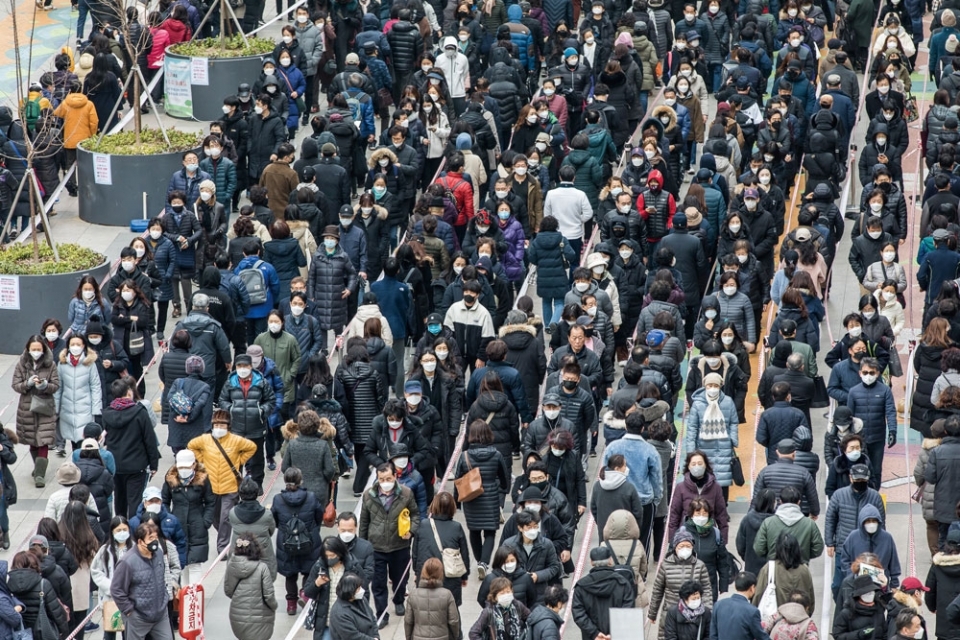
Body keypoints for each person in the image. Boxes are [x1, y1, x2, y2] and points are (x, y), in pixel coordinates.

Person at [360, 462, 420, 627]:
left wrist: (412, 530)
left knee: (400, 578)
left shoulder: (406, 494)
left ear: (395, 476)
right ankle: (382, 613)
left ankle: (399, 599)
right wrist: (362, 546)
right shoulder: (368, 496)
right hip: (376, 547)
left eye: (388, 478)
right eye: (381, 478)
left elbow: (415, 514)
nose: (385, 481)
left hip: (399, 545)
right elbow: (364, 523)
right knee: (378, 583)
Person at [189, 410, 257, 554]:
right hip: (211, 486)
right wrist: (201, 461)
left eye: (222, 425)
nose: (219, 428)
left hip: (230, 486)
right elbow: (191, 445)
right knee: (214, 517)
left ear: (228, 426)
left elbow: (252, 447)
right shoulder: (205, 439)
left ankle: (222, 547)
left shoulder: (236, 440)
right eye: (217, 425)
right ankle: (224, 535)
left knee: (225, 517)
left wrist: (239, 461)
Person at [453, 420, 510, 575]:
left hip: (471, 498)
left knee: (474, 530)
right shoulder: (496, 454)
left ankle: (479, 561)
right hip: (490, 496)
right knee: (490, 532)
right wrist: (504, 489)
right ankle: (484, 563)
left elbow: (458, 478)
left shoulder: (465, 455)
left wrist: (456, 502)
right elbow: (504, 477)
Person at [602, 410, 663, 547]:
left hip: (616, 500)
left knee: (617, 540)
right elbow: (656, 479)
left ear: (625, 426)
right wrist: (656, 499)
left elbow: (603, 474)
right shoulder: (650, 450)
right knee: (642, 542)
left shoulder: (612, 447)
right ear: (643, 428)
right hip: (644, 502)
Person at [102, 379, 159, 519]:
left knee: (119, 500)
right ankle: (134, 530)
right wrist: (154, 464)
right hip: (136, 465)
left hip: (115, 464)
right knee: (135, 501)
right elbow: (149, 439)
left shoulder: (107, 413)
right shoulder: (140, 412)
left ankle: (119, 527)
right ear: (129, 392)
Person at [219, 354, 276, 489]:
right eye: (239, 366)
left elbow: (271, 400)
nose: (242, 369)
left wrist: (261, 411)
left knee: (257, 460)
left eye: (245, 366)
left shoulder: (261, 382)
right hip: (236, 429)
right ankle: (236, 486)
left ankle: (257, 486)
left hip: (256, 428)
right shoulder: (230, 382)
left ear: (251, 367)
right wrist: (231, 409)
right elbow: (222, 400)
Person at [272, 467, 324, 616]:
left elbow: (274, 520)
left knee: (290, 574)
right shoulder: (311, 497)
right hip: (308, 540)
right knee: (308, 571)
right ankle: (306, 596)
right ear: (301, 480)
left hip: (287, 542)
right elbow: (318, 516)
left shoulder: (277, 499)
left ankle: (291, 605)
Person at [12, 335, 60, 488]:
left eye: (39, 349)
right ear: (28, 349)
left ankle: (40, 474)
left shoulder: (50, 365)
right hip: (27, 407)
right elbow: (16, 384)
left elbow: (56, 385)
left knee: (43, 440)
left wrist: (44, 385)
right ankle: (38, 467)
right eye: (33, 349)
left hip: (45, 407)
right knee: (32, 440)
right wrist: (27, 383)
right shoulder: (21, 364)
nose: (36, 352)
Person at [110, 522, 172, 640]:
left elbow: (162, 576)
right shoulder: (127, 562)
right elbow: (116, 589)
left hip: (160, 614)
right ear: (140, 542)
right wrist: (129, 611)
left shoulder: (158, 553)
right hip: (138, 617)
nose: (154, 541)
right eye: (150, 538)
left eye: (155, 537)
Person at [161, 449, 214, 584]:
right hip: (177, 524)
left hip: (197, 524)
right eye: (181, 467)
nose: (184, 470)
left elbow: (210, 502)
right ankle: (185, 593)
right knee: (181, 562)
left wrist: (206, 521)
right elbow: (165, 501)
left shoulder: (203, 479)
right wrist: (169, 519)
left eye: (187, 466)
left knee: (195, 563)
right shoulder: (170, 479)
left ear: (194, 465)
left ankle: (194, 594)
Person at [685, 372, 739, 501]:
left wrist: (733, 439)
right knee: (705, 478)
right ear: (705, 386)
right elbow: (692, 427)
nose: (712, 388)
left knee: (724, 479)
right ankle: (706, 506)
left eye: (715, 385)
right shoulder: (698, 404)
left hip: (724, 445)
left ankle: (723, 508)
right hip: (703, 447)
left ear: (720, 386)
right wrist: (691, 451)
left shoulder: (728, 401)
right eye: (710, 385)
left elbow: (733, 422)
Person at [650, 529, 714, 633]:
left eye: (688, 546)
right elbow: (657, 591)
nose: (685, 549)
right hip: (670, 614)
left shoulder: (700, 566)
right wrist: (652, 614)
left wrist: (708, 611)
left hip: (693, 616)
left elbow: (707, 590)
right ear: (675, 547)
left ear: (693, 547)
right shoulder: (665, 565)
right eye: (681, 546)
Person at [412, 492, 470, 606]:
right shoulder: (456, 527)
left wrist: (416, 572)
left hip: (425, 575)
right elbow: (464, 554)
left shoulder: (423, 525)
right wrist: (464, 576)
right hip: (450, 577)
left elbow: (415, 552)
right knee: (451, 610)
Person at [847, 356, 897, 489]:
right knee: (859, 468)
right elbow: (849, 416)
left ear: (877, 373)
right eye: (865, 372)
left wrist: (892, 431)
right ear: (860, 373)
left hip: (877, 438)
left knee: (876, 470)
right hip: (859, 439)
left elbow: (891, 412)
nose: (868, 375)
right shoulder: (853, 392)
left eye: (871, 372)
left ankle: (874, 494)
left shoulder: (885, 390)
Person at [571, 545, 636, 640]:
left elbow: (578, 614)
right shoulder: (623, 583)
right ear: (610, 561)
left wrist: (594, 633)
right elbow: (628, 610)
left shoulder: (581, 586)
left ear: (592, 562)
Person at [668, 451, 730, 544]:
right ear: (688, 466)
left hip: (709, 536)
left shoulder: (715, 487)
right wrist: (673, 541)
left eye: (700, 463)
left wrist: (723, 541)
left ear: (705, 465)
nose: (697, 466)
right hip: (685, 537)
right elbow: (674, 516)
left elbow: (721, 515)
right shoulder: (680, 487)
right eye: (693, 464)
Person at [224, 533, 278, 640]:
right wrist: (274, 606)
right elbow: (269, 596)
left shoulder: (231, 566)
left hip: (238, 617)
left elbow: (228, 591)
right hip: (260, 618)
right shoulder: (262, 568)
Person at [7, 551, 68, 640]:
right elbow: (56, 612)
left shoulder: (9, 585)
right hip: (43, 631)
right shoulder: (43, 584)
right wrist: (64, 632)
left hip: (20, 633)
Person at [752, 440, 820, 518]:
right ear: (794, 454)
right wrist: (815, 513)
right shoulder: (803, 473)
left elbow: (756, 497)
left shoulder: (765, 472)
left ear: (777, 452)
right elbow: (812, 497)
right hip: (795, 518)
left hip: (771, 518)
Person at [752, 533, 815, 613]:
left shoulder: (769, 568)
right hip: (799, 618)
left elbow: (758, 595)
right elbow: (810, 598)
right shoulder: (804, 570)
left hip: (775, 619)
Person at [404, 557, 461, 640]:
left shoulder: (413, 595)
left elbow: (408, 621)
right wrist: (455, 636)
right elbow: (454, 621)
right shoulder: (447, 595)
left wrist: (408, 638)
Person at [925, 414, 960, 547]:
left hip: (943, 507)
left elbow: (930, 478)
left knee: (944, 542)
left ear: (945, 432)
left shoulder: (937, 452)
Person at [591, 454, 645, 539]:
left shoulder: (597, 486)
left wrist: (601, 523)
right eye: (624, 465)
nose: (626, 468)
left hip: (604, 532)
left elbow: (594, 509)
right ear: (617, 469)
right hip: (626, 534)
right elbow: (638, 512)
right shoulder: (629, 488)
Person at [708, 571, 768, 640]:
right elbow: (761, 636)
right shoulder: (752, 611)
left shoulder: (718, 605)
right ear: (752, 587)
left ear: (735, 586)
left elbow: (713, 635)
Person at [469, 576, 531, 640]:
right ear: (494, 596)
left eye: (508, 592)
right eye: (502, 593)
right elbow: (473, 633)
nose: (506, 595)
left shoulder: (517, 605)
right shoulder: (488, 611)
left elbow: (531, 618)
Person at [832, 575, 886, 640]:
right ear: (859, 595)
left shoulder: (879, 609)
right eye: (866, 593)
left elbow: (885, 633)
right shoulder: (847, 613)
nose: (870, 595)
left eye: (872, 592)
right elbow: (838, 636)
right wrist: (858, 634)